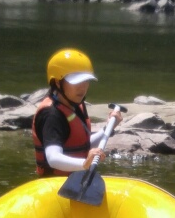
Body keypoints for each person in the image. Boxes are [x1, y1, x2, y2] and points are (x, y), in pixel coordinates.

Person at [32, 48, 122, 176]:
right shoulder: (51, 115)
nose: (83, 87)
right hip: (55, 184)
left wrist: (108, 128)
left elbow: (81, 144)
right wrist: (84, 163)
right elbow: (53, 158)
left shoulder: (75, 105)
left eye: (86, 81)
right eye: (76, 82)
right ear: (58, 82)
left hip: (75, 180)